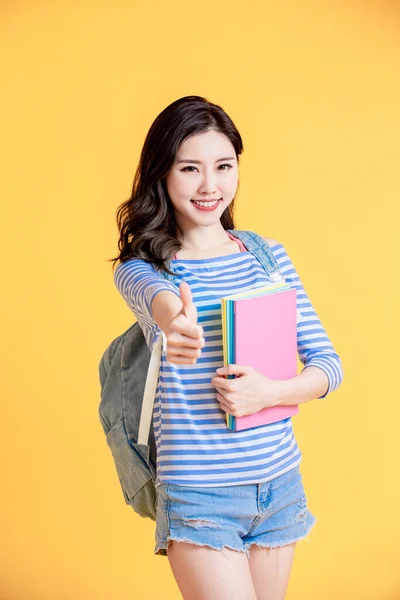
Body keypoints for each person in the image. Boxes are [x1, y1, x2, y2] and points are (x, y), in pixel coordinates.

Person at [110, 95, 343, 600]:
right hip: (199, 496)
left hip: (279, 484)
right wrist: (176, 325)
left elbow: (328, 366)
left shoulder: (268, 258)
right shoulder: (143, 269)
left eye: (223, 166)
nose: (209, 185)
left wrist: (271, 393)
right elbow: (161, 305)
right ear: (162, 174)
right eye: (190, 168)